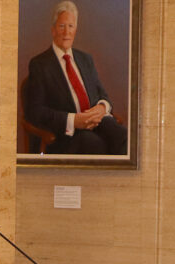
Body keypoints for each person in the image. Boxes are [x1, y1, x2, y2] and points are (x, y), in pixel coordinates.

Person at [25, 1, 127, 155]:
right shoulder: (40, 64)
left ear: (76, 30)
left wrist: (102, 108)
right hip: (67, 134)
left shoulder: (86, 59)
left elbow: (103, 95)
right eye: (61, 26)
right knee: (94, 144)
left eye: (70, 26)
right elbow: (35, 111)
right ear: (53, 30)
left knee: (122, 136)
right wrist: (73, 120)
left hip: (97, 123)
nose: (66, 32)